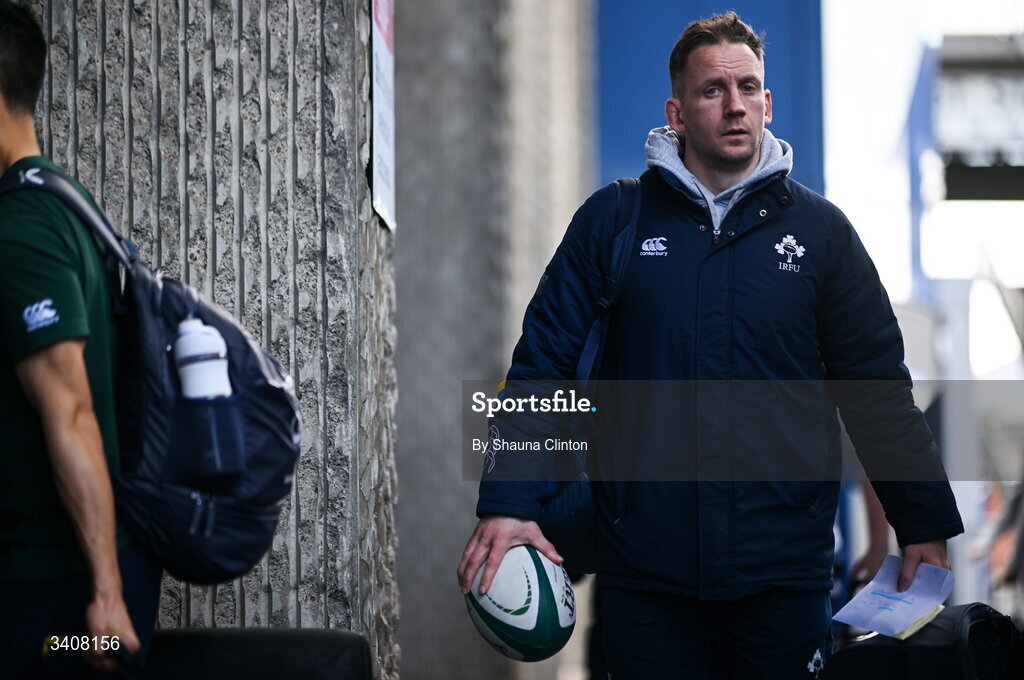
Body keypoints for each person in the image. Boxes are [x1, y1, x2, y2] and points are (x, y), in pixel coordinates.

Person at [457, 11, 964, 678]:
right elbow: (540, 366)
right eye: (712, 91)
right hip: (645, 578)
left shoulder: (822, 236)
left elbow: (876, 394)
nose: (735, 106)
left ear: (768, 102)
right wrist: (506, 505)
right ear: (676, 111)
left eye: (748, 88)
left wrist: (920, 522)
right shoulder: (615, 221)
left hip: (783, 581)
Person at [0, 2, 161, 676]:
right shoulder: (67, 201)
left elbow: (70, 406)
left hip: (53, 600)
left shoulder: (23, 224)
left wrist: (104, 595)